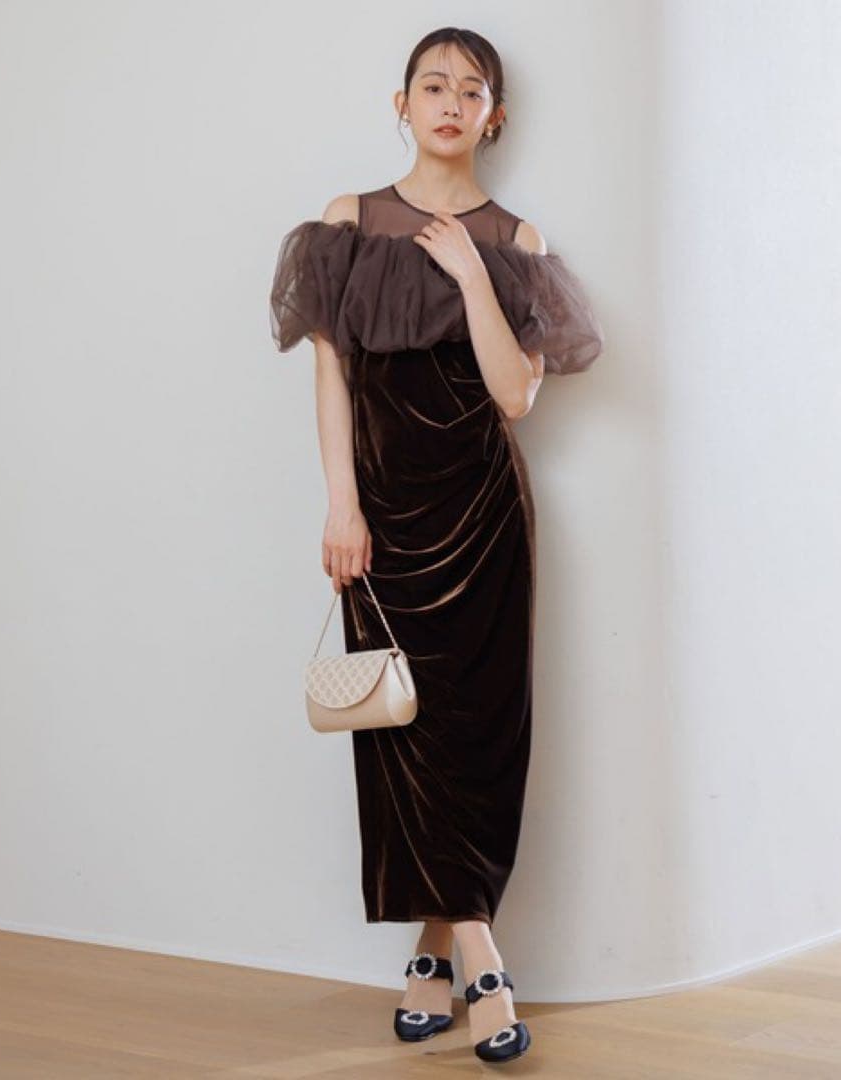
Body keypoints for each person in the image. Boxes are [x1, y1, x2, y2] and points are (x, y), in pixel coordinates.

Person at [270, 25, 604, 1065]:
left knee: (478, 739)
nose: (451, 103)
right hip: (381, 518)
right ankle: (472, 952)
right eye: (433, 86)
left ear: (493, 117)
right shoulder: (347, 222)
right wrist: (342, 505)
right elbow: (332, 376)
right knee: (399, 738)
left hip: (484, 516)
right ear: (402, 105)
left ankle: (447, 951)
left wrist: (469, 273)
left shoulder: (513, 239)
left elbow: (516, 397)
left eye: (472, 91)